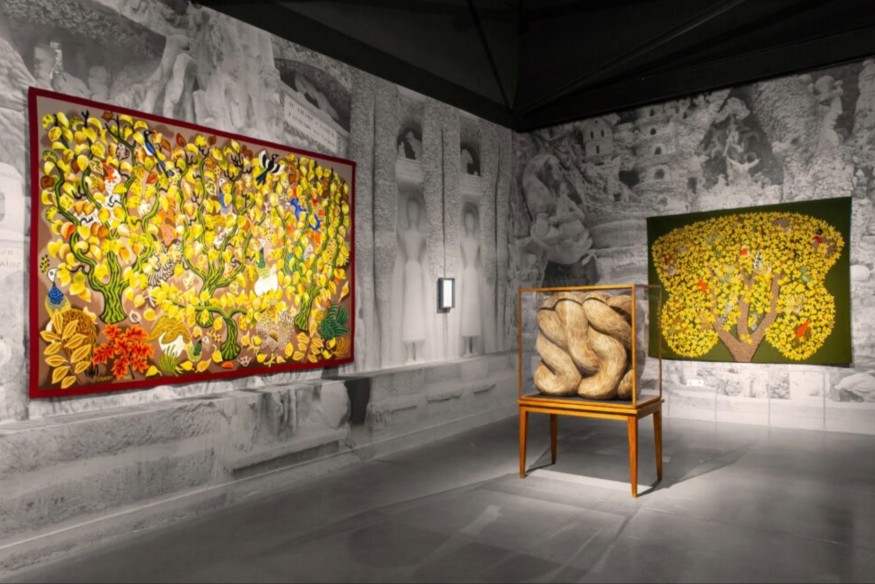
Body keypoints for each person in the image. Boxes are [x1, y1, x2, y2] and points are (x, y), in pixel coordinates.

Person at [398, 196, 427, 362]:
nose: (413, 213)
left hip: (416, 270)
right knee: (409, 310)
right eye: (411, 210)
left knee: (418, 310)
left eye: (416, 210)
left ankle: (419, 353)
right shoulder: (403, 233)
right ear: (407, 212)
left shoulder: (422, 234)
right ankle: (409, 354)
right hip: (409, 270)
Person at [460, 209, 482, 355]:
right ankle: (467, 349)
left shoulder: (477, 241)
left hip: (473, 274)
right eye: (467, 220)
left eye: (472, 220)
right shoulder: (462, 240)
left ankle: (474, 348)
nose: (470, 223)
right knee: (467, 310)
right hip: (467, 273)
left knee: (474, 310)